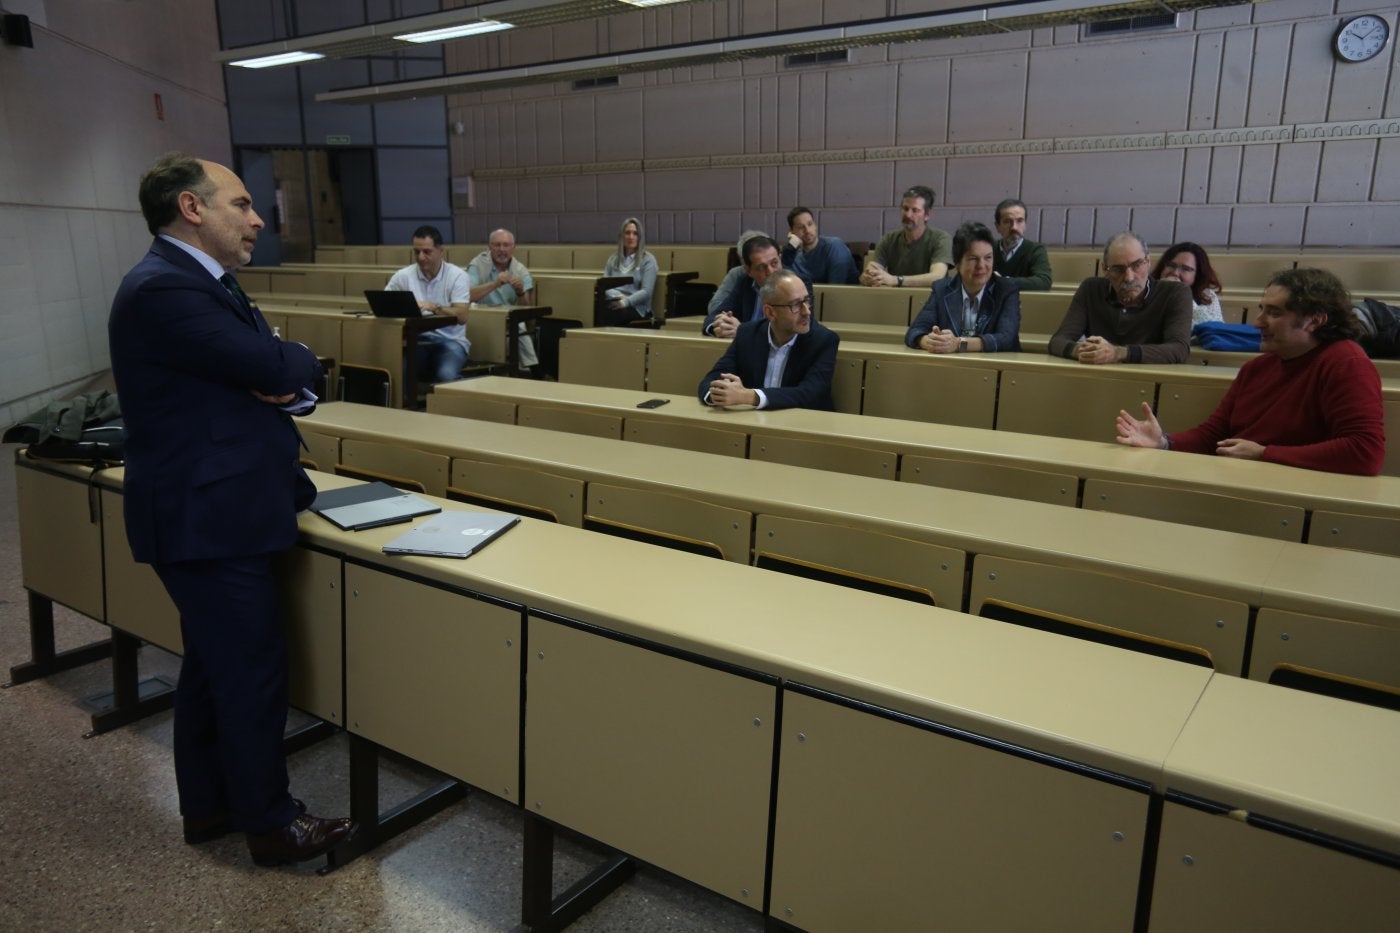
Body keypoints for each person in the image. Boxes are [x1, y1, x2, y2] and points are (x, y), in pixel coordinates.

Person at [107, 152, 355, 866]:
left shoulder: (198, 282)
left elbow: (268, 372)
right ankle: (272, 823)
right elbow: (279, 366)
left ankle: (209, 804)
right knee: (248, 670)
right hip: (208, 519)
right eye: (240, 204)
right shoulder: (165, 288)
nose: (257, 219)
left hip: (216, 509)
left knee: (214, 668)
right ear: (191, 208)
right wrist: (291, 357)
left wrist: (275, 366)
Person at [1116, 268, 1384, 475]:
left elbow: (1365, 452)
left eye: (1274, 313)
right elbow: (1214, 435)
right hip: (1244, 477)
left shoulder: (1346, 363)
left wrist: (1266, 453)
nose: (1258, 323)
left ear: (1315, 320)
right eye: (1262, 310)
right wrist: (1165, 443)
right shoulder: (1257, 368)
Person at [697, 269, 839, 411]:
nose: (806, 311)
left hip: (805, 425)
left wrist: (750, 396)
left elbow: (811, 394)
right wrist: (719, 394)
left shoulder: (824, 340)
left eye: (807, 300)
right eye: (795, 305)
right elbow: (713, 377)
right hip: (755, 423)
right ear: (770, 312)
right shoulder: (747, 334)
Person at [1048, 232, 1192, 364]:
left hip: (1147, 379)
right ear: (1105, 269)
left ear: (1148, 262)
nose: (1129, 277)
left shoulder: (1175, 293)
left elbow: (1179, 349)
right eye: (1118, 269)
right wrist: (1090, 352)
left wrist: (1117, 353)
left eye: (1136, 265)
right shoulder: (1090, 289)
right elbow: (1057, 341)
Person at [905, 222, 1021, 353]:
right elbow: (915, 331)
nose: (982, 265)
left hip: (994, 366)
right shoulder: (942, 288)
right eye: (973, 258)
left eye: (988, 258)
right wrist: (930, 341)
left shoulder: (1006, 289)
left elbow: (1005, 339)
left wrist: (959, 344)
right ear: (958, 263)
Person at [385, 224, 472, 383]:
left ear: (441, 251)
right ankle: (403, 407)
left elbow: (462, 316)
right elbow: (385, 303)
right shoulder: (403, 276)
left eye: (427, 252)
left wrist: (434, 307)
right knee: (397, 373)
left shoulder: (458, 276)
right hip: (417, 340)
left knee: (446, 376)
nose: (421, 257)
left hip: (451, 342)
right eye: (416, 252)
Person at [702, 234, 812, 339]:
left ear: (780, 259)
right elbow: (714, 316)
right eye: (761, 267)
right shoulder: (745, 283)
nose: (770, 272)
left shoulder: (799, 282)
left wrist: (744, 331)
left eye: (774, 263)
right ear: (748, 270)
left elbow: (796, 328)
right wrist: (719, 326)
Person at [467, 228, 538, 371]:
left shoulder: (520, 270)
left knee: (518, 327)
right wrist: (495, 284)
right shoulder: (477, 264)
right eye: (497, 245)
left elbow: (525, 308)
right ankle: (531, 370)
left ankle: (525, 373)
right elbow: (467, 296)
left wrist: (520, 292)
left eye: (506, 245)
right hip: (481, 318)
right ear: (489, 247)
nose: (501, 249)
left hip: (508, 320)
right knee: (517, 332)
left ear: (513, 247)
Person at [860, 185, 952, 289]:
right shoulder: (889, 239)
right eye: (905, 208)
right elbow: (872, 270)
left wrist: (896, 280)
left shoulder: (940, 239)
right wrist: (867, 277)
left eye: (915, 210)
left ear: (927, 215)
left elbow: (937, 278)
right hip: (898, 299)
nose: (908, 215)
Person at [600, 216, 659, 326]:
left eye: (635, 233)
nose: (631, 237)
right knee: (595, 310)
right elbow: (605, 285)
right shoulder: (613, 259)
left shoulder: (648, 260)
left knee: (610, 315)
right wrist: (618, 297)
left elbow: (646, 292)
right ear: (622, 236)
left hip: (637, 308)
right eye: (627, 233)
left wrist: (625, 301)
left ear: (640, 237)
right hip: (615, 302)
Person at [781, 206, 859, 285]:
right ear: (792, 232)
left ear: (815, 225)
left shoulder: (834, 246)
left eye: (810, 224)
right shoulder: (792, 255)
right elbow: (784, 283)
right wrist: (792, 245)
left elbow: (835, 288)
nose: (807, 230)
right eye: (801, 227)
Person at [1151, 241, 1223, 325]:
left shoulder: (1207, 296)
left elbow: (1212, 328)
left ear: (1197, 275)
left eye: (1185, 269)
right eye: (1171, 265)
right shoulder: (1147, 290)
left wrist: (1180, 294)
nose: (1175, 273)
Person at [992, 198, 1052, 291]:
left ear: (1025, 224)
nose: (1014, 227)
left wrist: (1005, 282)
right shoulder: (988, 249)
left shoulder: (1035, 250)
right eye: (1007, 221)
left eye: (1019, 221)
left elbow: (1044, 282)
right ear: (997, 226)